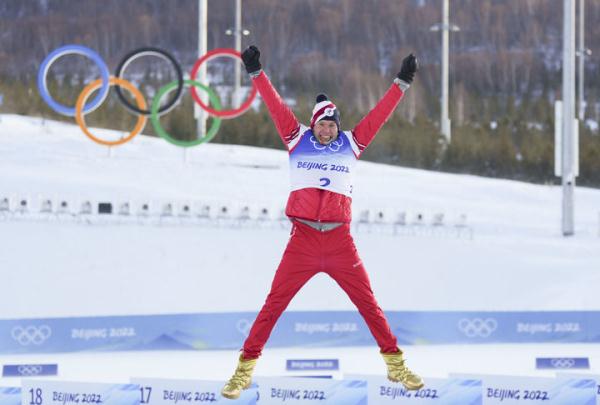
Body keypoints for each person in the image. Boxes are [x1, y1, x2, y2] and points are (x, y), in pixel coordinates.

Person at [221, 45, 423, 400]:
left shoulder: (352, 143)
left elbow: (379, 114)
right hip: (303, 241)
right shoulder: (296, 139)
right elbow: (274, 105)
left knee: (369, 305)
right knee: (273, 305)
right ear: (313, 123)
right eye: (322, 124)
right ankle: (243, 371)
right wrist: (256, 73)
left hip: (340, 242)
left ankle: (396, 365)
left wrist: (401, 83)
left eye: (331, 125)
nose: (327, 130)